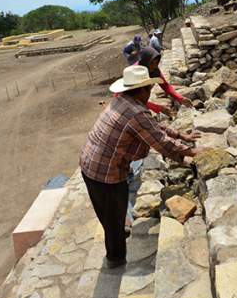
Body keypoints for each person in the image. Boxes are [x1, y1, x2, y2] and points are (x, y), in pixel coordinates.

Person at [79, 65, 205, 268]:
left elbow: (154, 126)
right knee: (114, 219)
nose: (150, 93)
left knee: (108, 213)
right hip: (105, 172)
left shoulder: (123, 101)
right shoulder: (136, 112)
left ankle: (116, 244)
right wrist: (190, 152)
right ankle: (116, 259)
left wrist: (182, 136)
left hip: (89, 163)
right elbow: (160, 141)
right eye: (148, 89)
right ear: (141, 90)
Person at [136, 47, 192, 116]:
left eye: (156, 62)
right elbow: (136, 101)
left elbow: (165, 85)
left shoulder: (155, 70)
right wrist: (158, 108)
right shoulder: (136, 74)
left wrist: (180, 98)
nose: (154, 66)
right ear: (145, 62)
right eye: (151, 63)